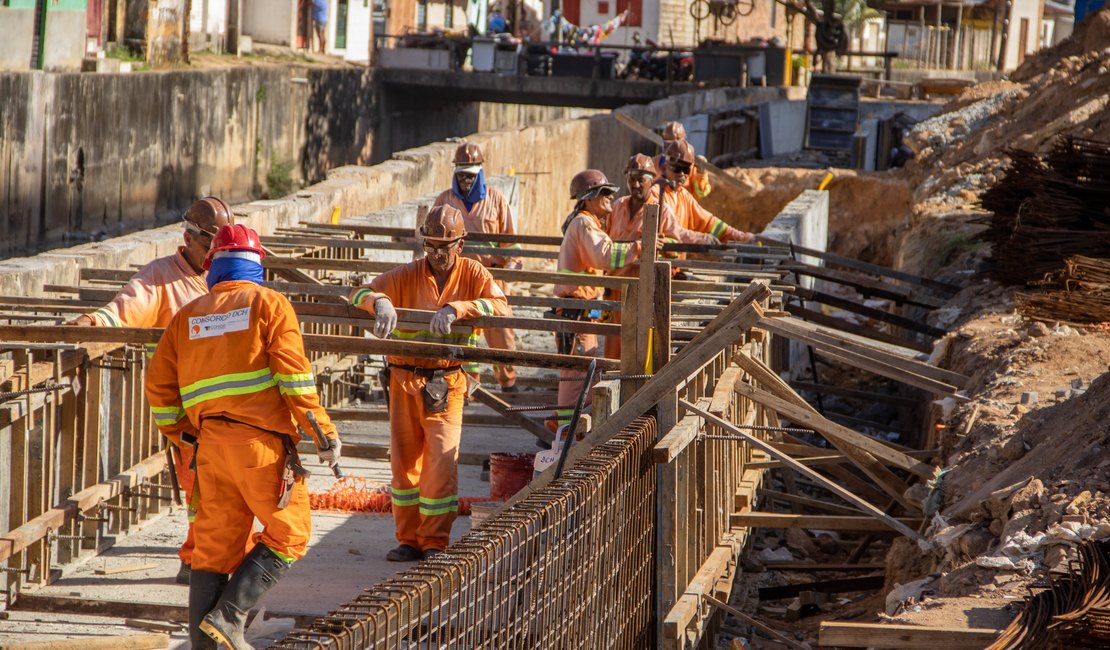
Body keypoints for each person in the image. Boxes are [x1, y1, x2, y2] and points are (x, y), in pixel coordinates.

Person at [145, 224, 340, 650]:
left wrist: (185, 437)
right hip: (261, 449)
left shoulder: (188, 316)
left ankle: (206, 644)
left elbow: (158, 388)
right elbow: (293, 379)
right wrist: (322, 431)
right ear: (257, 267)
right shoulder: (269, 304)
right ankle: (231, 616)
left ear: (213, 266)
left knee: (211, 551)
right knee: (290, 532)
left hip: (210, 450)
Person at [68, 196, 233, 585]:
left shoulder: (230, 272)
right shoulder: (161, 277)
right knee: (201, 489)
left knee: (228, 488)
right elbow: (125, 309)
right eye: (210, 245)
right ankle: (197, 561)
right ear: (188, 237)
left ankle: (214, 555)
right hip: (188, 408)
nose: (215, 255)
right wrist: (91, 323)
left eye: (221, 247)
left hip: (231, 404)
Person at [348, 205, 510, 562]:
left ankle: (435, 541)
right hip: (403, 379)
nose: (436, 253)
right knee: (405, 465)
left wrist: (458, 308)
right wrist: (381, 302)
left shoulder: (473, 273)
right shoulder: (406, 275)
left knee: (440, 465)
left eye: (444, 246)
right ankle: (408, 539)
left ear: (460, 245)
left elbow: (501, 307)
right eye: (431, 245)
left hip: (447, 381)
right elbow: (357, 293)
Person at [549, 169, 642, 431]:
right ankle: (564, 433)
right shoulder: (584, 223)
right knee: (577, 374)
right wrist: (639, 247)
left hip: (580, 312)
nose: (610, 196)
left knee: (582, 371)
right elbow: (604, 256)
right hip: (576, 312)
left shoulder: (585, 222)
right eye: (604, 192)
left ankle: (566, 431)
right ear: (588, 197)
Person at [602, 154, 716, 360]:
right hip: (615, 290)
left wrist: (702, 239)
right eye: (632, 179)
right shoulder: (617, 207)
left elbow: (677, 237)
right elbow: (603, 241)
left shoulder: (661, 211)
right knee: (611, 351)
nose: (636, 184)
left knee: (638, 352)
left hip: (641, 292)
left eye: (641, 179)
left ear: (651, 180)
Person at [433, 142, 520, 392]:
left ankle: (507, 381)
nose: (466, 181)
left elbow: (510, 243)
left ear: (480, 173)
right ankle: (467, 388)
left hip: (490, 278)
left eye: (470, 176)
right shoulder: (445, 200)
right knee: (463, 335)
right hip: (456, 278)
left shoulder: (496, 200)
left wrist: (511, 265)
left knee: (501, 333)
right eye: (461, 176)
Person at [658, 140, 755, 245]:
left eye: (685, 169)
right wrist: (699, 238)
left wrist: (741, 237)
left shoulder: (683, 196)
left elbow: (709, 223)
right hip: (652, 261)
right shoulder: (656, 194)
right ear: (663, 168)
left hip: (675, 261)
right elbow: (671, 231)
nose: (681, 173)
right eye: (677, 168)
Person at [658, 121, 712, 199]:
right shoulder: (654, 163)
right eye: (668, 144)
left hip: (684, 207)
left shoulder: (690, 166)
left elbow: (701, 192)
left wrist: (701, 174)